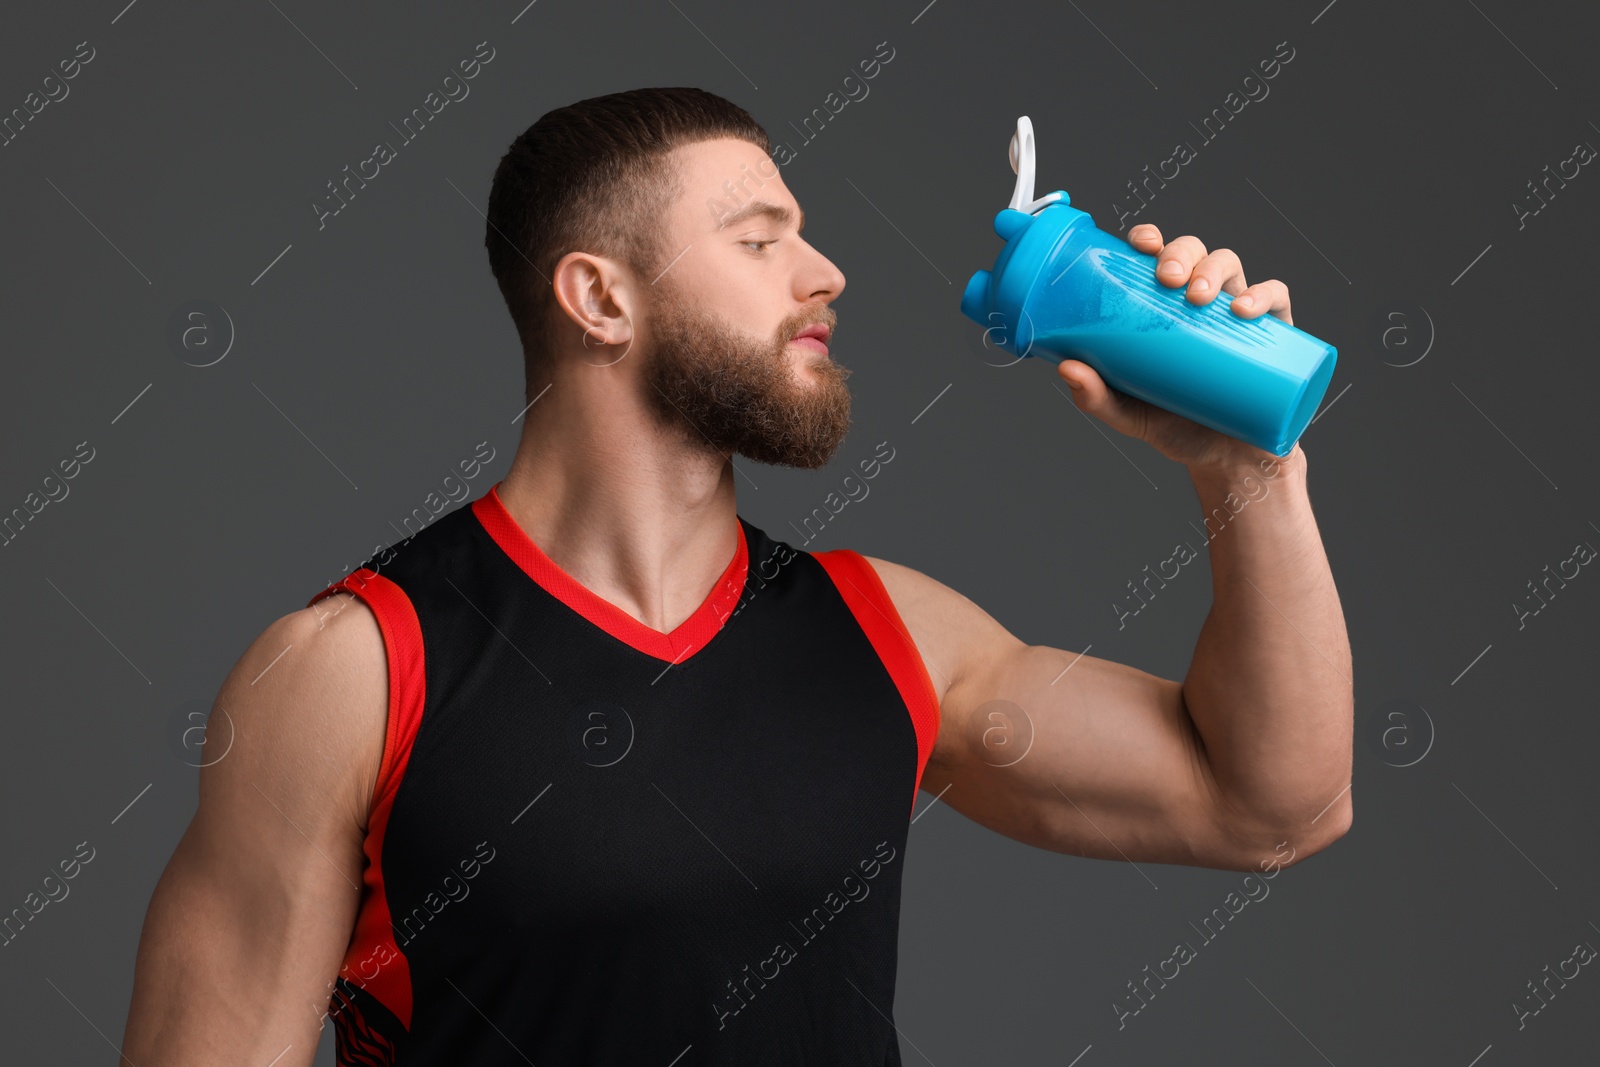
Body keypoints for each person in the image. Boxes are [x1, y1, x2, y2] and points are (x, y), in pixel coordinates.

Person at [121, 87, 1352, 1066]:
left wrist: (1250, 473)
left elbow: (1272, 806)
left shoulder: (889, 632)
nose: (826, 272)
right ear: (600, 296)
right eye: (762, 240)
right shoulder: (354, 671)